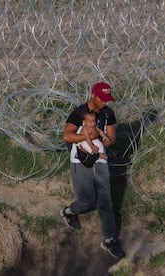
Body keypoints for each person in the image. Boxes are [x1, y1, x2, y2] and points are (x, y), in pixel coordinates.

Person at [61, 82, 126, 258]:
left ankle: (109, 239)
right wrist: (90, 136)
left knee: (106, 200)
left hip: (100, 161)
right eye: (102, 99)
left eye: (107, 99)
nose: (105, 103)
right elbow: (67, 136)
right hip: (80, 160)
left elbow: (111, 137)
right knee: (87, 201)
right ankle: (68, 211)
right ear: (93, 95)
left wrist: (106, 141)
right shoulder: (79, 112)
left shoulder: (108, 113)